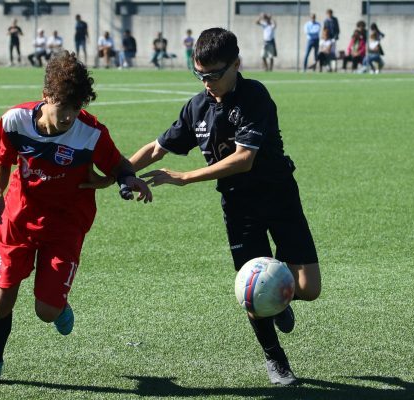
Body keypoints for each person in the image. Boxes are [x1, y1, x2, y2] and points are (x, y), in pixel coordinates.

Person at [128, 27, 321, 386]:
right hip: (239, 206)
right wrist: (118, 173)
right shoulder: (197, 107)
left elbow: (243, 159)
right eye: (199, 74)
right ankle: (275, 360)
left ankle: (281, 293)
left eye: (214, 75)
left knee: (309, 288)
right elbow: (157, 148)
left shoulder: (255, 96)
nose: (207, 83)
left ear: (236, 64)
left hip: (279, 196)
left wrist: (185, 177)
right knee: (252, 290)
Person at [0, 50, 153, 388]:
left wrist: (126, 180)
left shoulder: (90, 132)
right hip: (18, 219)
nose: (70, 117)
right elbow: (0, 159)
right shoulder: (14, 120)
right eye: (64, 107)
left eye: (77, 108)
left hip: (66, 224)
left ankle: (59, 305)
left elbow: (118, 164)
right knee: (1, 298)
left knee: (45, 312)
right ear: (47, 97)